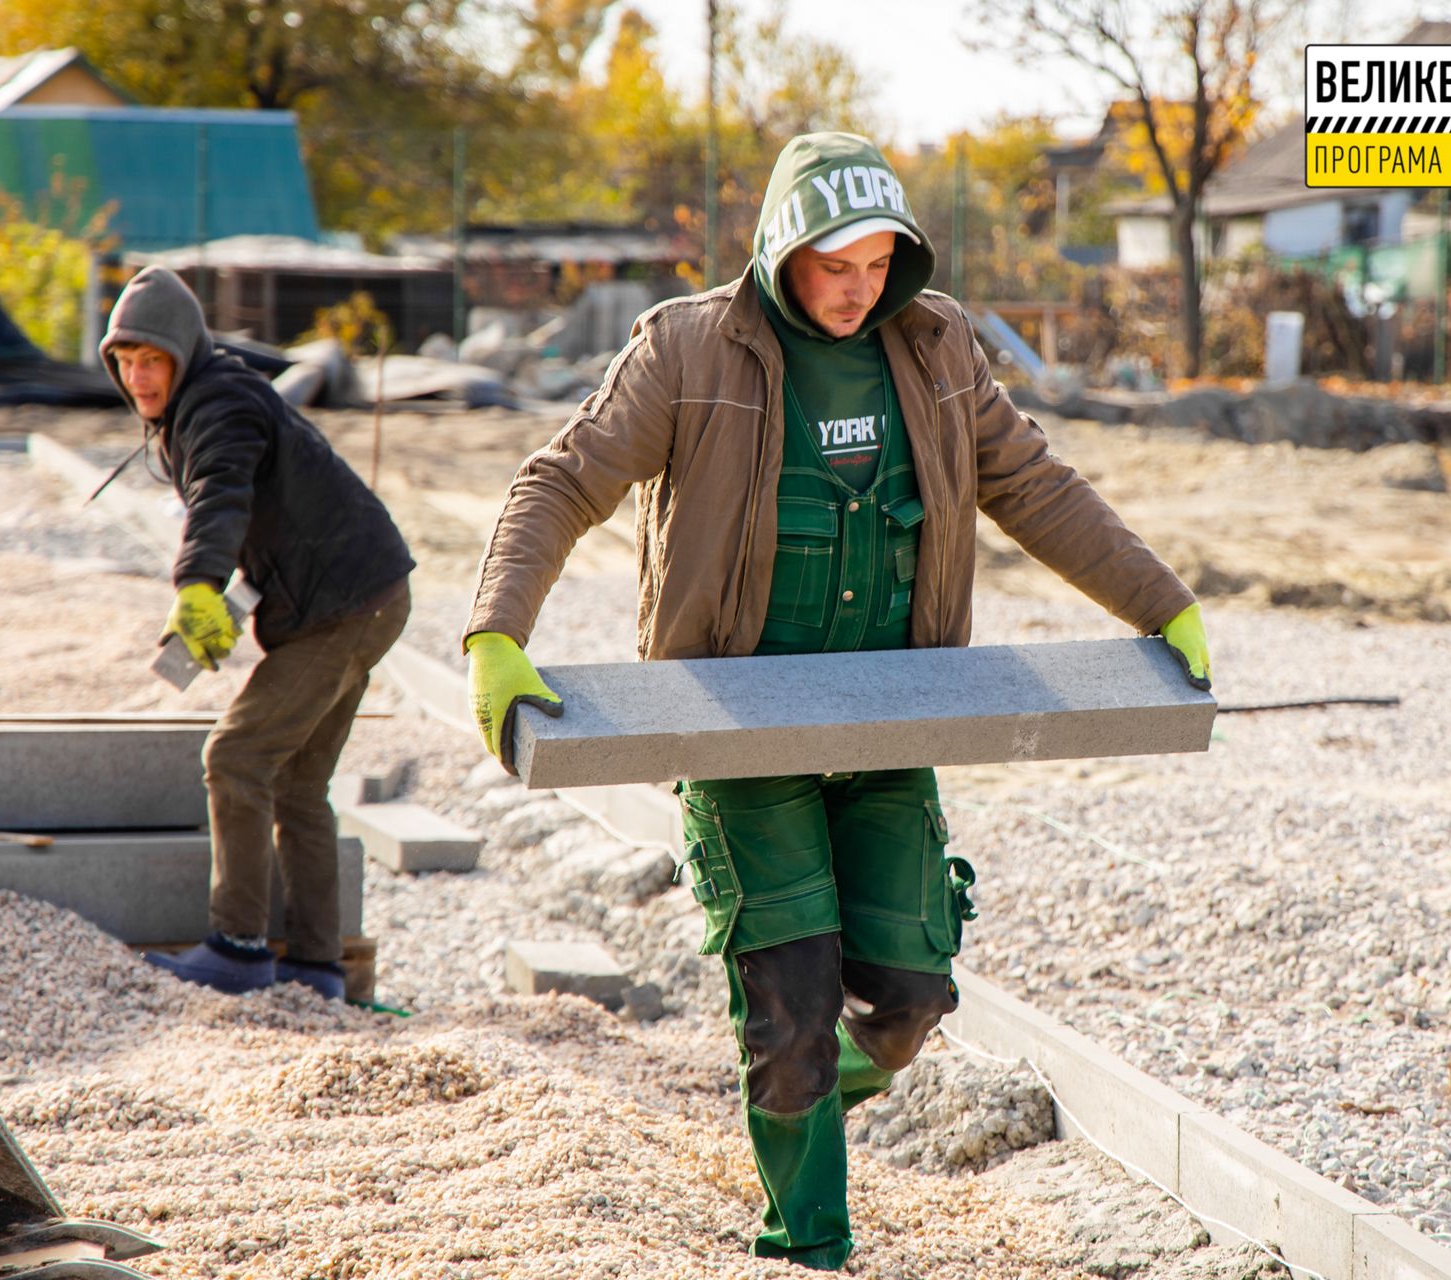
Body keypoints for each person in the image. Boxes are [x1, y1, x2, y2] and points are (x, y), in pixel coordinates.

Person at [464, 132, 1209, 1269]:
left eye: (877, 264)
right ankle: (807, 1236)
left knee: (911, 994)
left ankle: (807, 1085)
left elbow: (1034, 483)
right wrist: (497, 634)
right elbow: (564, 479)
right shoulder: (689, 349)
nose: (858, 290)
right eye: (833, 266)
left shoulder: (936, 344)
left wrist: (1161, 602)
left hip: (889, 718)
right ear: (778, 250)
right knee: (791, 1012)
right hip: (740, 728)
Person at [101, 266, 415, 1002]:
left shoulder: (217, 405)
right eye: (126, 362)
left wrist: (196, 585)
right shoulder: (202, 402)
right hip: (365, 594)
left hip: (342, 607)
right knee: (301, 784)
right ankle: (317, 969)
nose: (140, 378)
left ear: (182, 354)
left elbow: (220, 495)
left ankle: (238, 948)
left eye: (153, 361)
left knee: (236, 756)